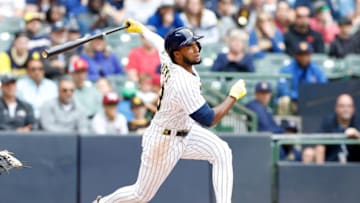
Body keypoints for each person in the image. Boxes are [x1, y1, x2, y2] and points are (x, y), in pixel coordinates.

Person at [92, 19, 247, 203]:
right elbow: (209, 118)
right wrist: (233, 97)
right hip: (164, 141)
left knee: (221, 151)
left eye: (195, 43)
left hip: (186, 131)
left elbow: (159, 42)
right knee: (140, 195)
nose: (196, 48)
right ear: (178, 54)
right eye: (189, 46)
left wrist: (142, 29)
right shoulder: (181, 82)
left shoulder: (170, 57)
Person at [277, 41, 327, 114]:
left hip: (311, 101)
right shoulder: (286, 69)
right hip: (294, 101)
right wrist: (299, 97)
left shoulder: (316, 69)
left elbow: (324, 86)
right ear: (296, 55)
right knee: (284, 101)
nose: (304, 57)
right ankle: (285, 124)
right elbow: (283, 89)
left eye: (306, 54)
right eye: (301, 54)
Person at [317, 94, 360, 162]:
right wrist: (320, 170)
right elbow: (319, 143)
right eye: (342, 106)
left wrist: (357, 135)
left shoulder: (358, 122)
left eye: (349, 106)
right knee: (309, 152)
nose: (346, 109)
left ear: (353, 109)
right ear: (336, 108)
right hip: (331, 165)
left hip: (355, 166)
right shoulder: (328, 122)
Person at [16, 53, 58, 119]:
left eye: (40, 69)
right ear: (28, 71)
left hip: (48, 120)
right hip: (26, 120)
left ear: (44, 71)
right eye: (33, 69)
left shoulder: (51, 86)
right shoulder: (20, 85)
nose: (37, 72)